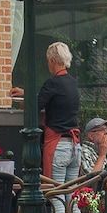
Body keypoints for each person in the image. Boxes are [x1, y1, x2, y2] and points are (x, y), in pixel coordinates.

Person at [37, 41, 82, 180]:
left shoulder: (52, 83)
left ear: (52, 60)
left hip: (58, 146)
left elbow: (36, 105)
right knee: (71, 191)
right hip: (75, 146)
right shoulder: (73, 83)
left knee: (54, 190)